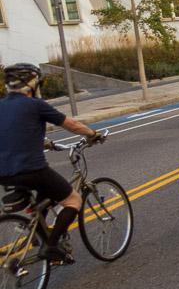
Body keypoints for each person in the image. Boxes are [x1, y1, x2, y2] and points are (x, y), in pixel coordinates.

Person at [0, 63, 104, 262]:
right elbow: (71, 125)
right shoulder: (36, 105)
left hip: (3, 173)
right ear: (32, 85)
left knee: (44, 195)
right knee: (73, 201)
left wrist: (43, 141)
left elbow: (12, 131)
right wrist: (93, 134)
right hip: (30, 169)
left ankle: (40, 234)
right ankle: (51, 246)